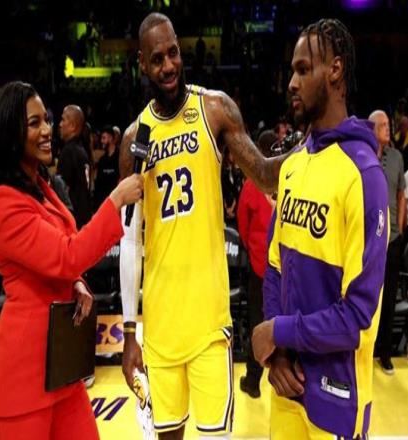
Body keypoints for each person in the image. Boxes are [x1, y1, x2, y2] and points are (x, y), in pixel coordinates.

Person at [119, 13, 285, 440]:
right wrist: (130, 332)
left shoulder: (214, 109)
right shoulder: (135, 138)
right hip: (160, 330)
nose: (169, 66)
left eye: (173, 53)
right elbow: (130, 242)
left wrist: (316, 147)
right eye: (157, 59)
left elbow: (264, 174)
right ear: (142, 64)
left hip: (209, 326)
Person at [0, 81, 143, 440]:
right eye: (34, 123)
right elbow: (68, 254)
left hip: (61, 367)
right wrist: (115, 200)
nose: (46, 130)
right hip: (24, 380)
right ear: (10, 133)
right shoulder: (2, 201)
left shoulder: (40, 186)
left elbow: (57, 254)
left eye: (47, 120)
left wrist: (76, 282)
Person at [251, 19, 388, 440]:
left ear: (335, 70)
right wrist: (277, 355)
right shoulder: (292, 166)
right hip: (286, 386)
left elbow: (358, 317)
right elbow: (275, 268)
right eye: (292, 71)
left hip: (336, 399)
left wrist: (278, 331)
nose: (292, 83)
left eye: (303, 69)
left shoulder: (364, 175)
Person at [237, 129, 277, 399]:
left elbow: (243, 223)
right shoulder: (286, 178)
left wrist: (252, 246)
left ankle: (253, 381)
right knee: (279, 318)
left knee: (257, 320)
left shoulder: (252, 184)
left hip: (260, 262)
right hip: (279, 263)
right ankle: (279, 376)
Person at [369, 109, 406, 375]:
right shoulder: (363, 155)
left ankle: (385, 353)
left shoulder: (397, 158)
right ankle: (366, 349)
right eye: (383, 125)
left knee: (390, 296)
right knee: (368, 296)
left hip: (392, 239)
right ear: (372, 129)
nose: (388, 128)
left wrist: (400, 226)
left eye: (388, 124)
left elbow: (402, 193)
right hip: (370, 239)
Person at [57, 105, 92, 229]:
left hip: (73, 222)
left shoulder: (68, 152)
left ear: (72, 126)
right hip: (85, 219)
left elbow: (62, 192)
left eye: (63, 120)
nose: (60, 124)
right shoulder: (83, 151)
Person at [93, 125, 120, 209]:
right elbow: (98, 184)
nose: (102, 141)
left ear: (111, 138)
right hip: (103, 204)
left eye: (104, 138)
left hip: (116, 203)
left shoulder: (120, 158)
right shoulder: (102, 160)